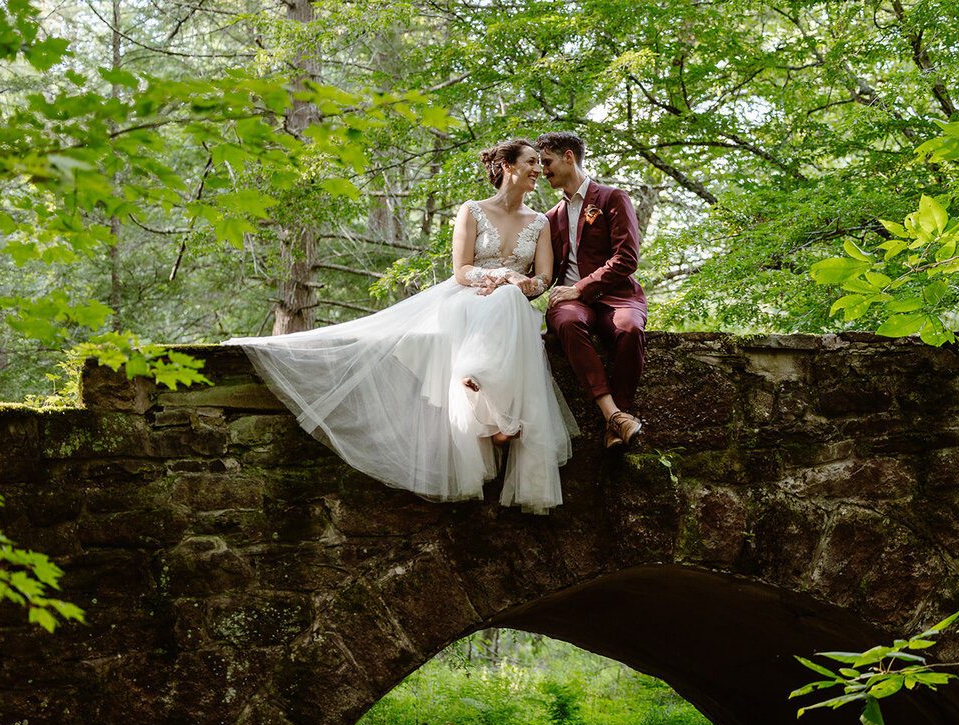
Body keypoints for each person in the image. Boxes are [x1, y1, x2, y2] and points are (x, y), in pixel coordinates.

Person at [226, 139, 575, 513]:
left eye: (541, 163)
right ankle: (495, 409)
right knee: (499, 298)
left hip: (510, 307)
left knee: (508, 299)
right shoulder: (472, 210)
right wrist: (501, 274)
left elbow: (543, 278)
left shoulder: (540, 221)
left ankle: (486, 396)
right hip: (469, 302)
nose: (540, 169)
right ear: (508, 167)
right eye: (531, 162)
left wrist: (519, 284)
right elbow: (461, 272)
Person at [536, 131, 647, 450]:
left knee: (629, 330)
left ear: (568, 157)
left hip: (618, 296)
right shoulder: (549, 218)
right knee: (568, 324)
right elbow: (539, 269)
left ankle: (617, 422)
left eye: (547, 162)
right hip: (569, 303)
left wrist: (581, 288)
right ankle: (616, 416)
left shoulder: (612, 198)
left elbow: (627, 257)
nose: (543, 171)